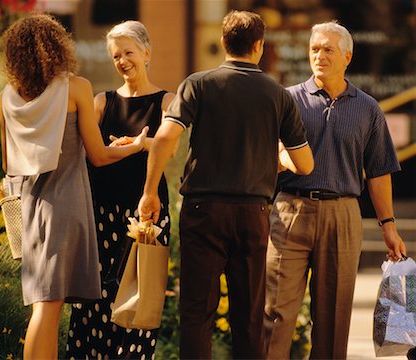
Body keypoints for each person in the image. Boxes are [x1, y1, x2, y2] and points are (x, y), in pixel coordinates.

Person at [138, 10, 314, 359]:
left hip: (203, 212)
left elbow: (164, 138)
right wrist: (272, 160)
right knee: (248, 316)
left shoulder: (198, 83)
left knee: (196, 313)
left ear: (223, 43)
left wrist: (149, 192)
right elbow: (305, 164)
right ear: (259, 46)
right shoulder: (278, 95)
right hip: (253, 213)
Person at [0, 14, 147, 360]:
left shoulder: (7, 98)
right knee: (48, 308)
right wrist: (137, 145)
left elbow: (7, 165)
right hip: (65, 208)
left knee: (47, 304)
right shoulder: (75, 87)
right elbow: (98, 155)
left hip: (32, 209)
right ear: (56, 47)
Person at [264, 21, 407, 360]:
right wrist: (278, 158)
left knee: (333, 321)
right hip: (290, 213)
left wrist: (388, 225)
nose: (320, 55)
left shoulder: (368, 108)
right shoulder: (287, 100)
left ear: (347, 56)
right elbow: (263, 153)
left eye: (328, 49)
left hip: (343, 215)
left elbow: (379, 171)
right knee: (275, 315)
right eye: (315, 49)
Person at [66, 20, 174, 360]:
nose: (123, 60)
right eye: (116, 56)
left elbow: (170, 146)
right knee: (95, 298)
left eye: (129, 52)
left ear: (146, 52)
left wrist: (142, 145)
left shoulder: (167, 101)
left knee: (139, 298)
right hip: (99, 212)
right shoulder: (101, 101)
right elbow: (88, 154)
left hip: (145, 212)